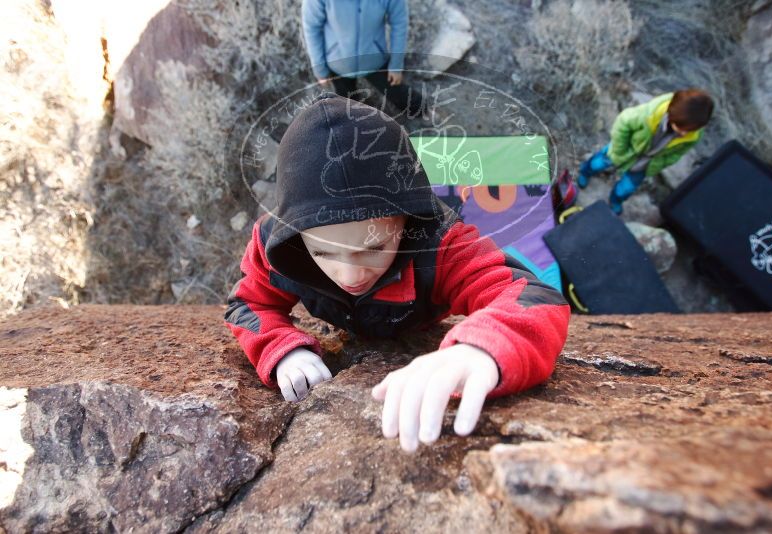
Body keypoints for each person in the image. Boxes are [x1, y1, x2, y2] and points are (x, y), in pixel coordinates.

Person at [224, 93, 570, 453]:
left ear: (407, 221)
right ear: (297, 236)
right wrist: (280, 348)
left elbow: (534, 295)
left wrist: (483, 349)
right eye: (323, 252)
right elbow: (246, 305)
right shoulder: (277, 245)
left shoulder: (440, 244)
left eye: (373, 247)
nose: (350, 273)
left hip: (418, 320)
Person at [577, 89, 714, 214]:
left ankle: (616, 200)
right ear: (672, 116)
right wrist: (619, 150)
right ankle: (585, 171)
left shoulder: (693, 134)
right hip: (626, 150)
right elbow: (622, 123)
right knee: (599, 163)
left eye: (690, 130)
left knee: (627, 188)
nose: (685, 133)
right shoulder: (647, 115)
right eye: (682, 128)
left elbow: (678, 152)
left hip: (647, 163)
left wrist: (663, 162)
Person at [301, 0, 428, 118]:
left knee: (402, 96)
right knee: (347, 109)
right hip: (338, 63)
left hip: (375, 60)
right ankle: (356, 133)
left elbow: (399, 23)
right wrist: (319, 68)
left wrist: (396, 65)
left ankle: (426, 115)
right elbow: (311, 27)